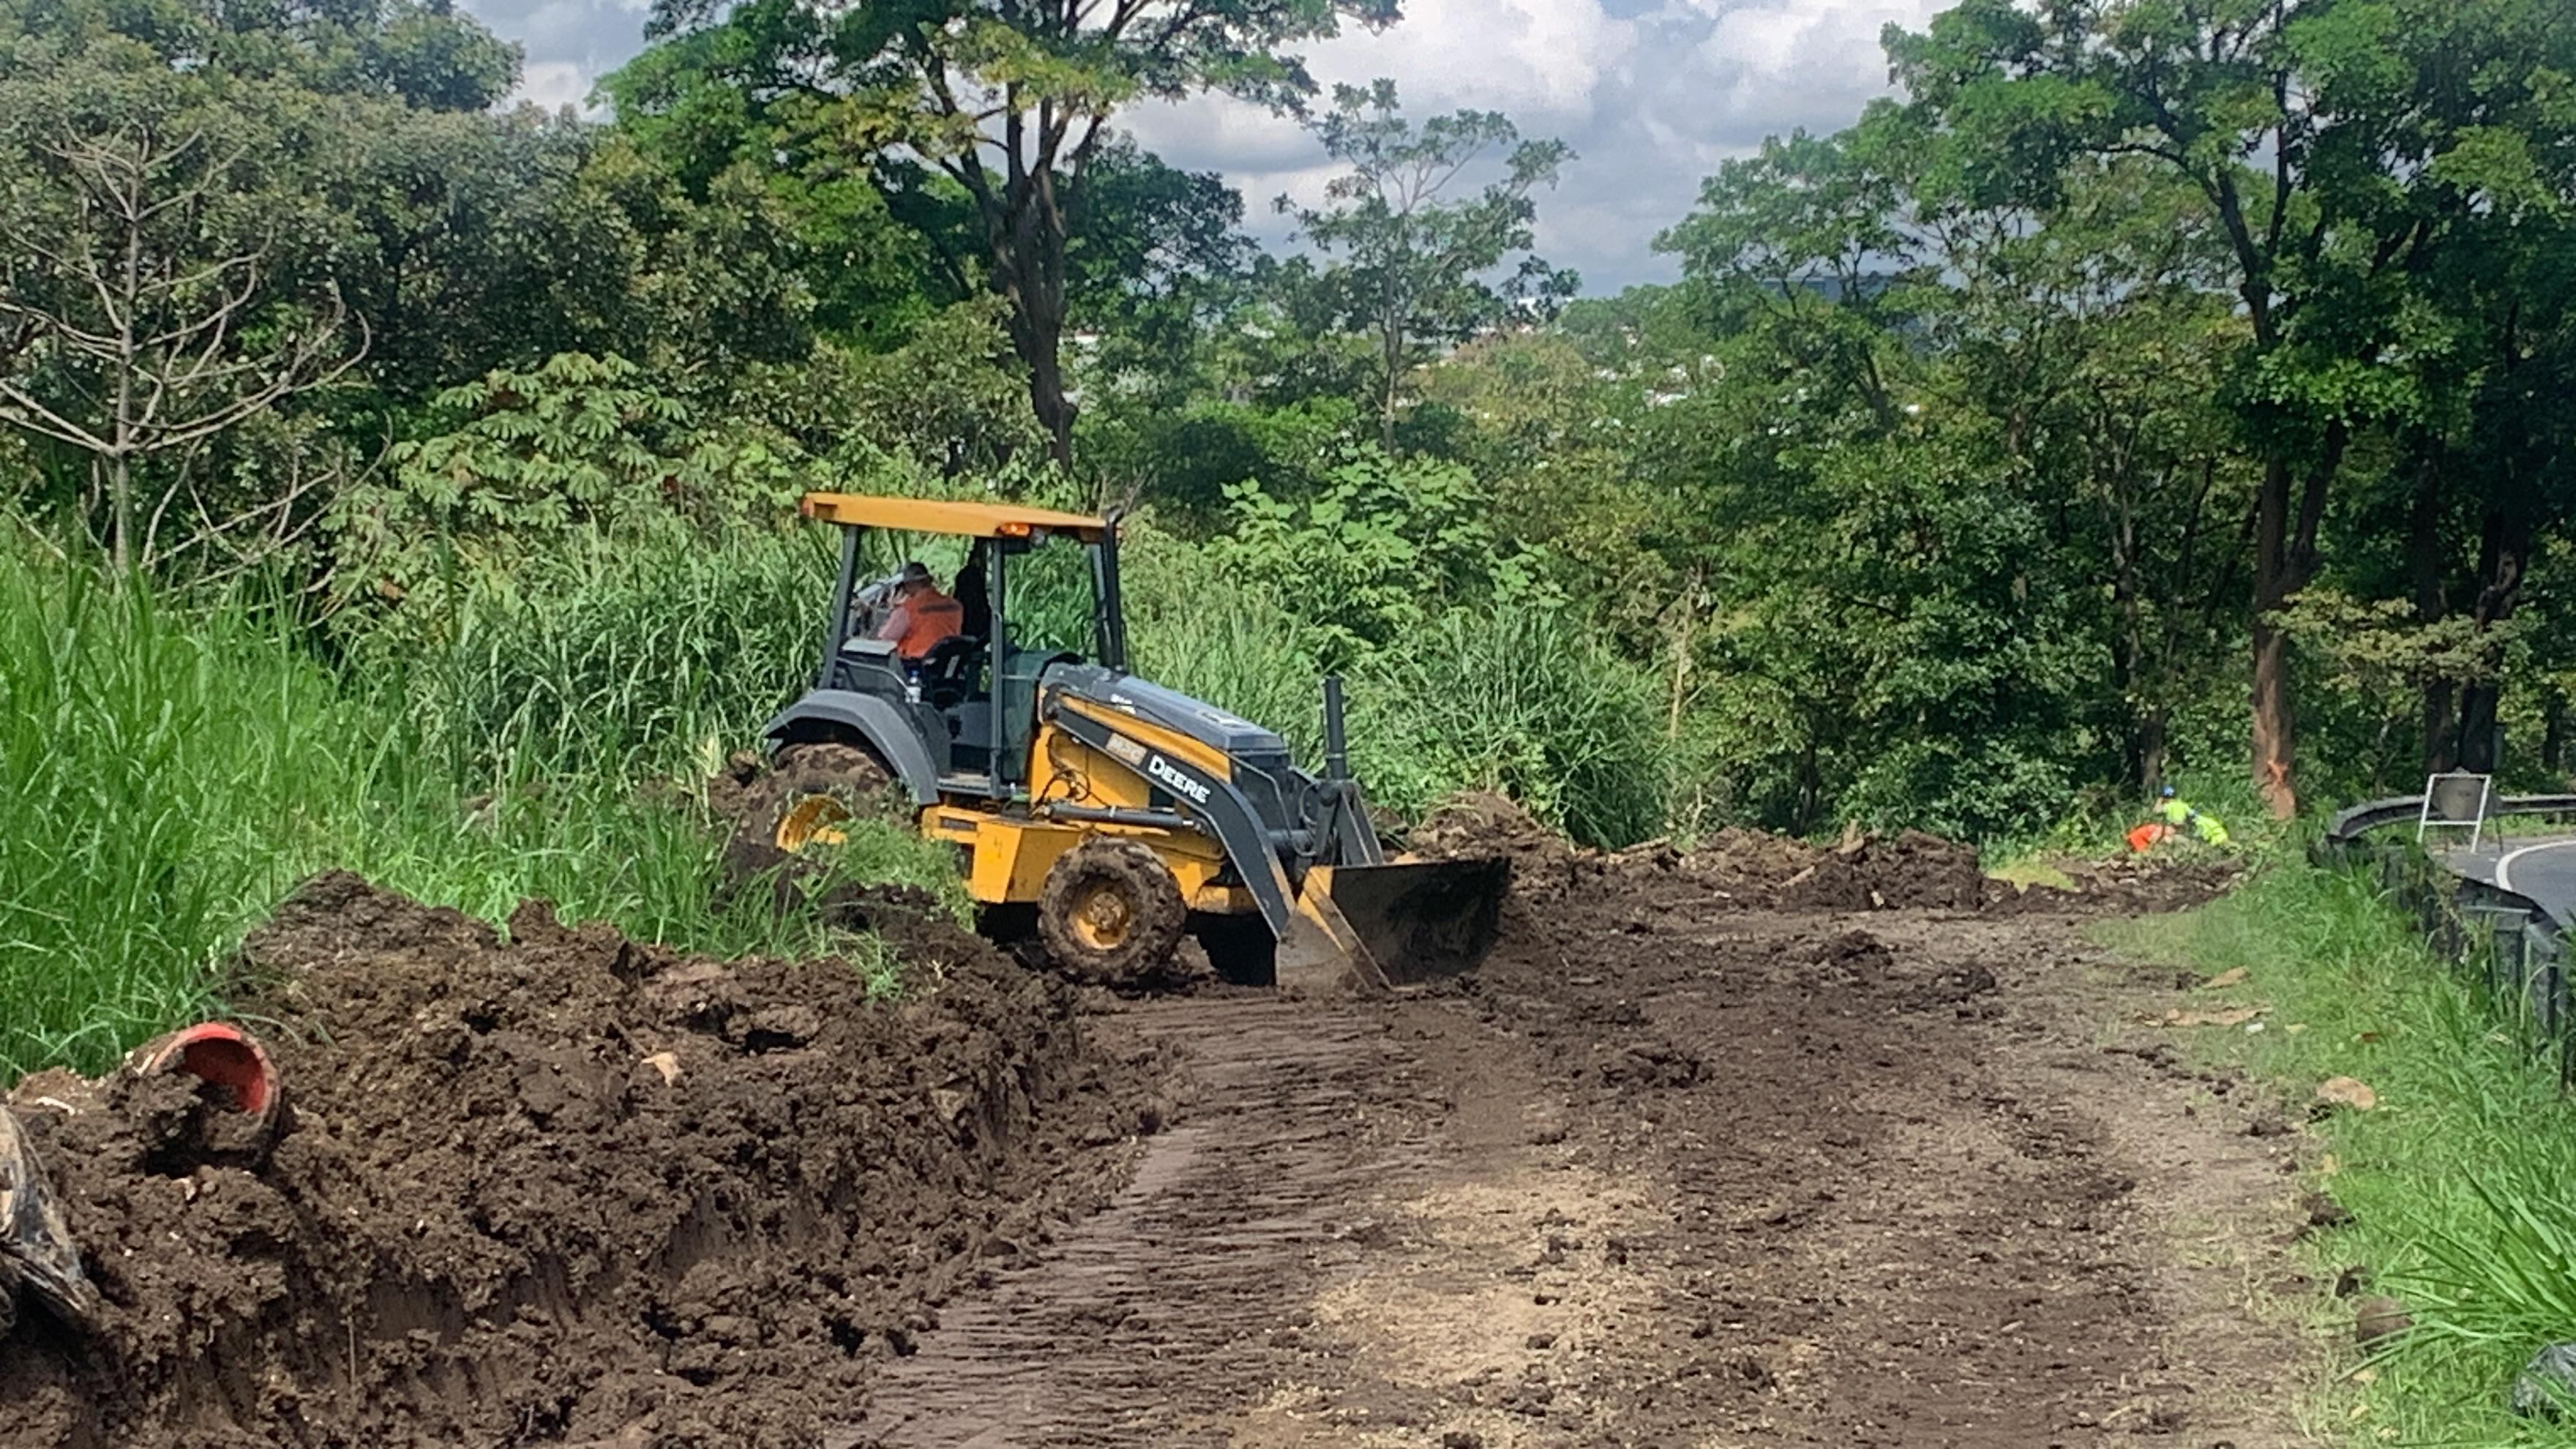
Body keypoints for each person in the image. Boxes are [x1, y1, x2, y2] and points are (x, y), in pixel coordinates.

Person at [874, 561, 965, 661]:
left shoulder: (909, 608)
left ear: (909, 584)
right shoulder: (955, 606)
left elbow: (886, 637)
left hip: (917, 664)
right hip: (948, 664)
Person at [2148, 785, 2231, 848]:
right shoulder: (2183, 804)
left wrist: (2159, 801)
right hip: (2188, 826)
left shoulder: (2168, 806)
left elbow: (2156, 811)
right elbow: (2192, 814)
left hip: (2175, 827)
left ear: (2165, 797)